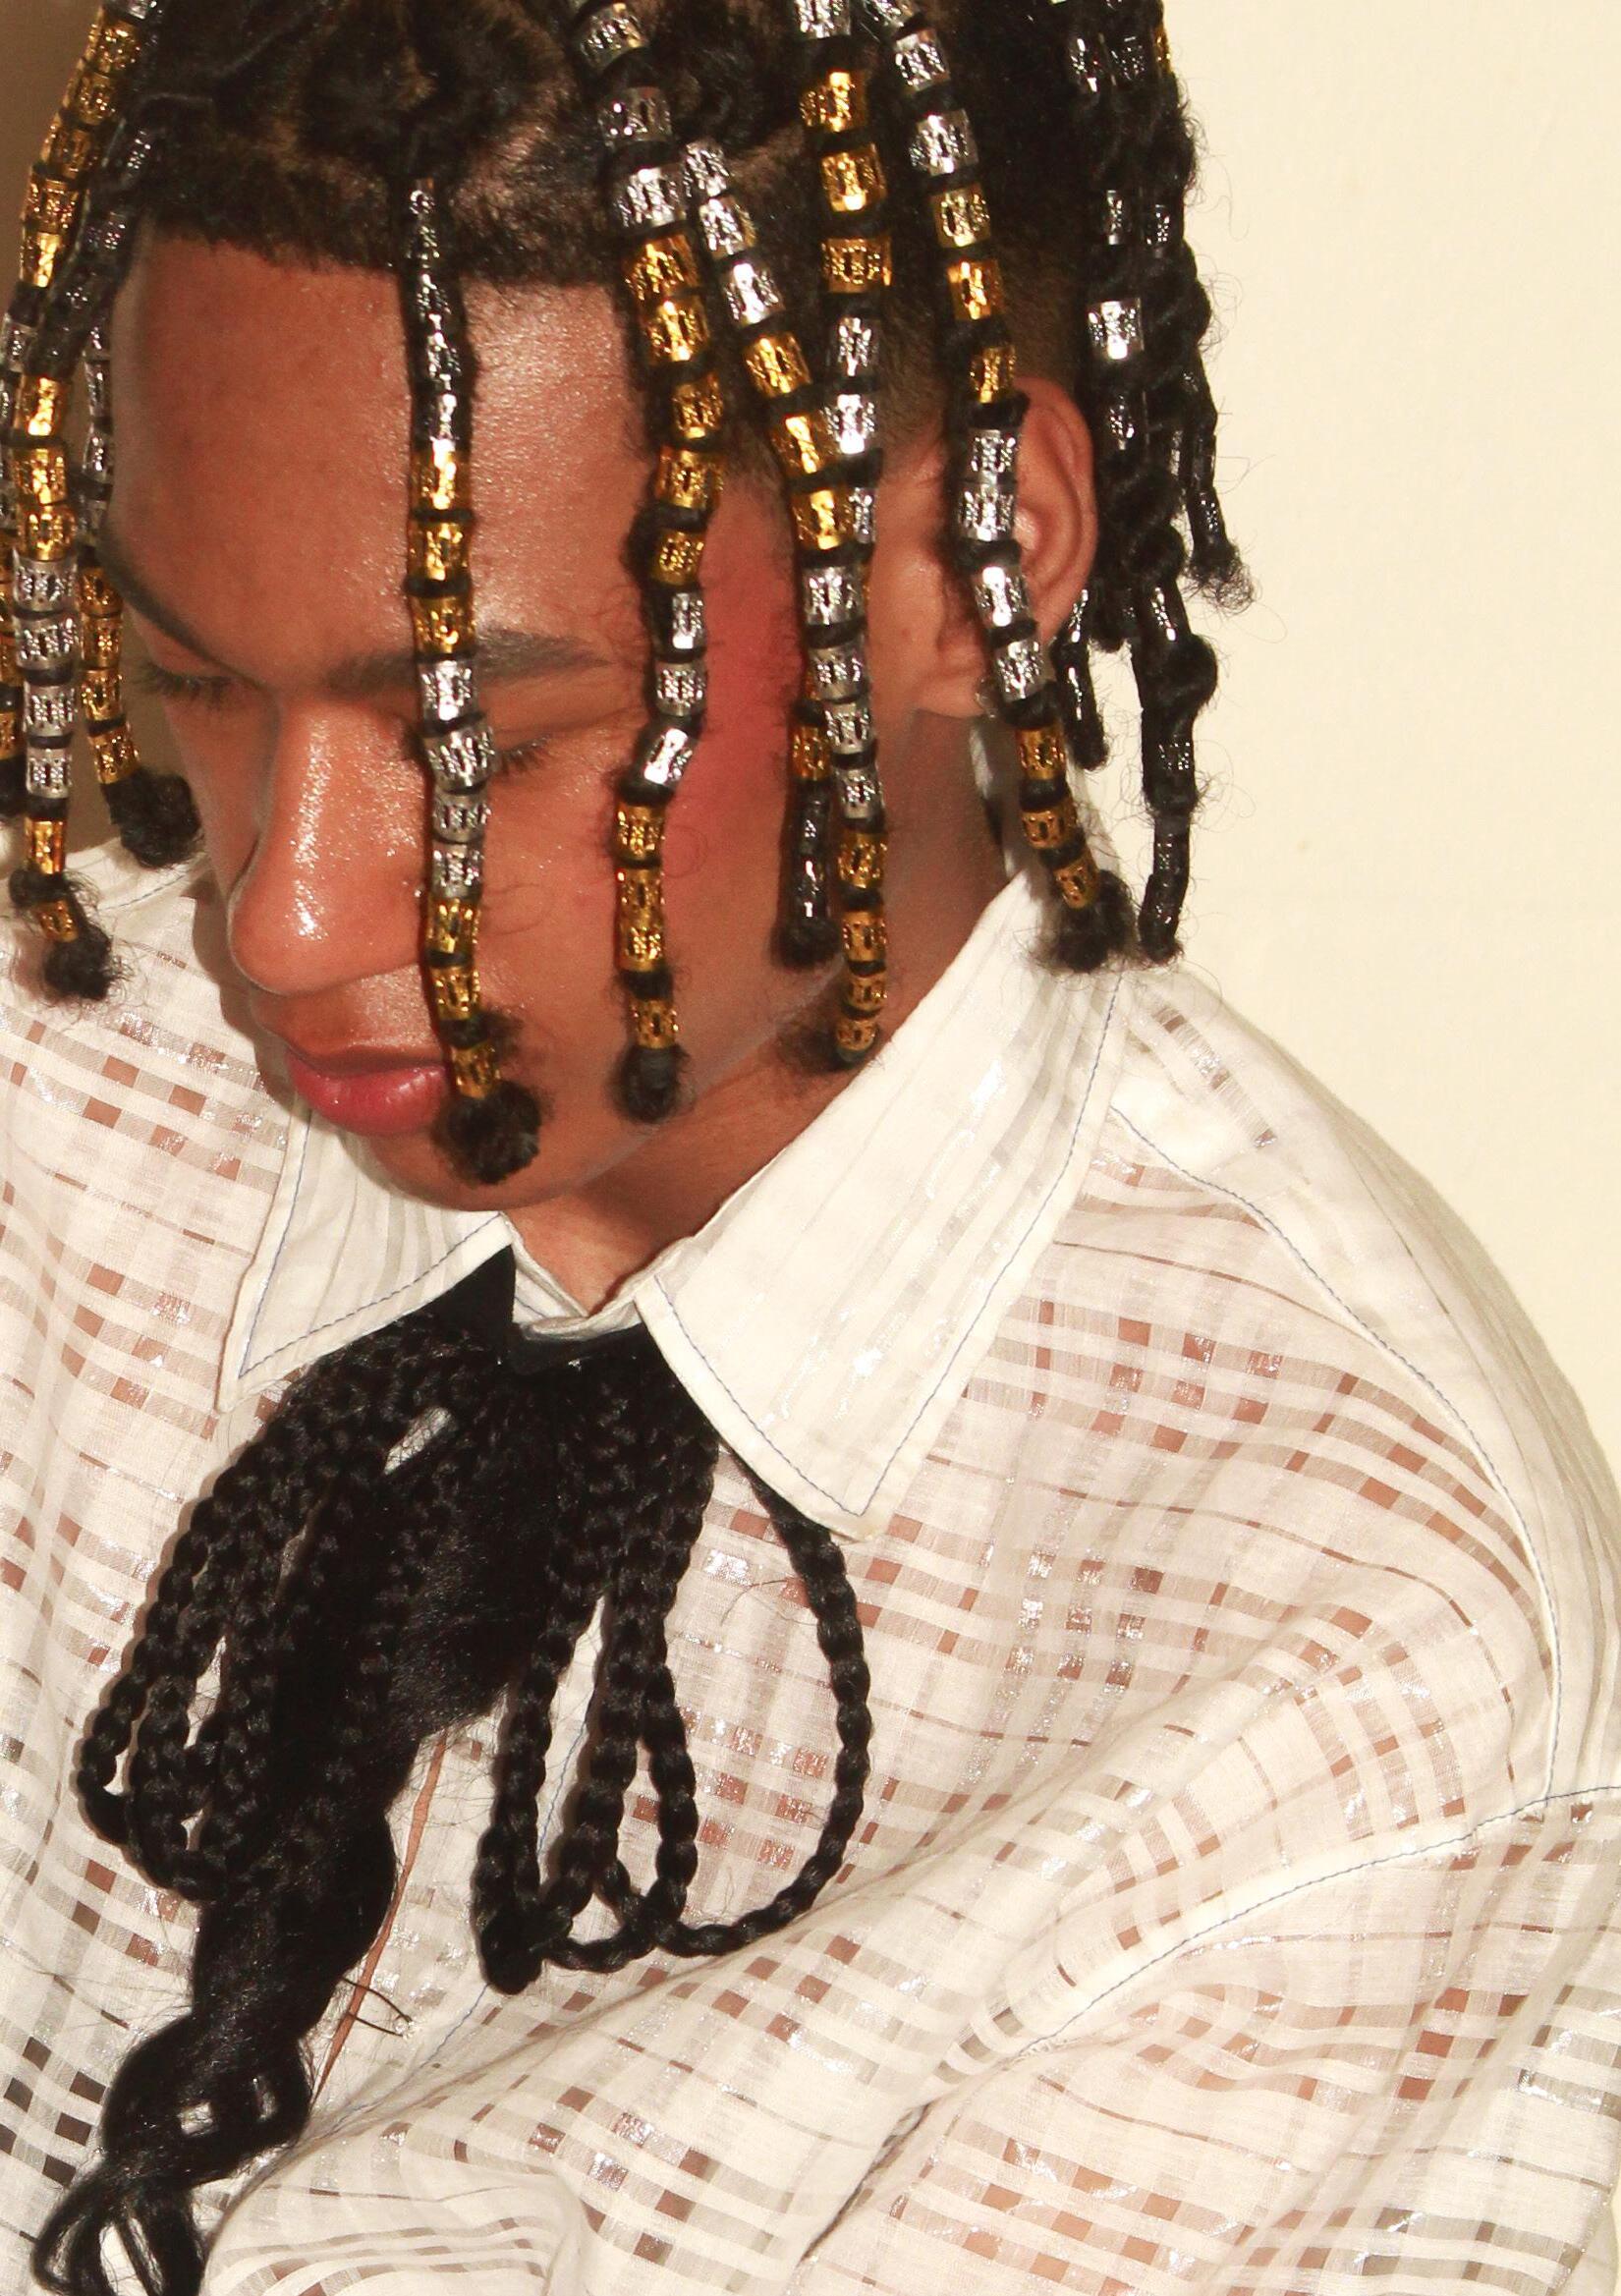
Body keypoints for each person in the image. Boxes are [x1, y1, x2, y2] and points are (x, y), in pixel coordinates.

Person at [3, 2, 1619, 2292]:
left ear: (971, 565)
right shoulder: (51, 1103)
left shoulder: (1345, 1681)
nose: (281, 911)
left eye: (475, 738)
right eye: (197, 685)